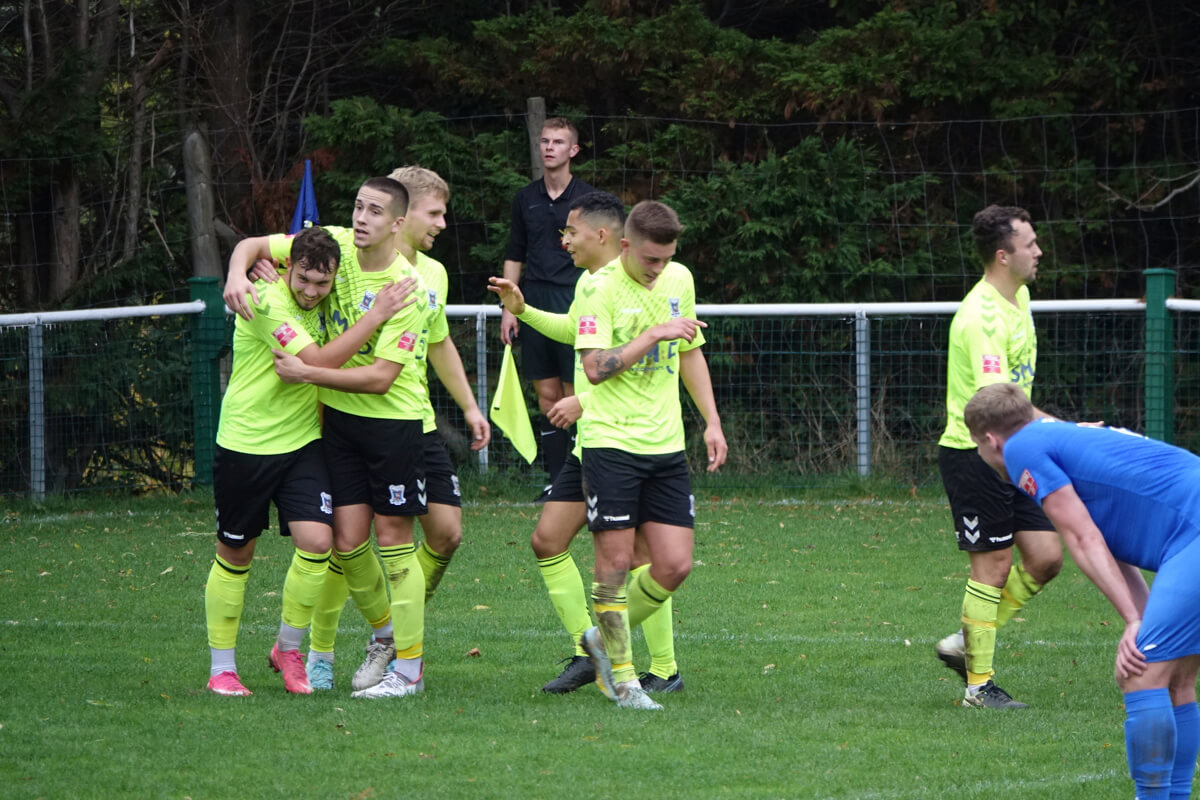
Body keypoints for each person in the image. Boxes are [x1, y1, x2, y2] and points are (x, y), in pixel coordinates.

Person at [224, 177, 433, 700]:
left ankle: (409, 669)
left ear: (397, 224)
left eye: (375, 211)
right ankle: (380, 638)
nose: (362, 218)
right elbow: (253, 245)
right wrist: (236, 272)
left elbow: (382, 377)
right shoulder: (332, 242)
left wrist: (311, 373)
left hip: (392, 421)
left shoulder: (406, 288)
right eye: (359, 206)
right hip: (337, 423)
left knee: (394, 541)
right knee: (345, 540)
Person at [299, 165, 492, 690]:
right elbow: (285, 258)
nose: (442, 223)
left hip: (409, 422)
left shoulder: (426, 278)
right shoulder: (343, 254)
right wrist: (247, 271)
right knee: (351, 540)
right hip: (344, 418)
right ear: (404, 217)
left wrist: (471, 407)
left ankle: (398, 643)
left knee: (443, 534)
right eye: (435, 213)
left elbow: (437, 342)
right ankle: (356, 646)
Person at [491, 192, 687, 696]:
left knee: (643, 555)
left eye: (571, 232)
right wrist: (526, 310)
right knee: (548, 540)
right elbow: (579, 335)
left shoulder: (652, 282)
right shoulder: (589, 284)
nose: (564, 240)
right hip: (596, 441)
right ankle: (593, 650)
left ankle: (659, 667)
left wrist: (583, 401)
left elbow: (638, 370)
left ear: (603, 235)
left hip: (625, 440)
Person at [965, 381, 1200, 799]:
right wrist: (1139, 616)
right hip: (1190, 530)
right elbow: (1110, 545)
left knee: (1139, 674)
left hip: (1193, 529)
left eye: (979, 450)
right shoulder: (1060, 435)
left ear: (989, 439)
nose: (984, 459)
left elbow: (1083, 538)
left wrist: (1132, 621)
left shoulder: (1021, 450)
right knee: (1176, 679)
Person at [568, 200, 727, 710]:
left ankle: (599, 639)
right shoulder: (598, 288)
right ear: (624, 245)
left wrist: (711, 421)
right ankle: (625, 679)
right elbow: (594, 368)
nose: (659, 270)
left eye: (666, 259)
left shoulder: (680, 279)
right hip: (611, 441)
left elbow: (690, 351)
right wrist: (652, 333)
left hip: (666, 445)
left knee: (675, 564)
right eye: (649, 260)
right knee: (614, 565)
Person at [934, 204, 1060, 709]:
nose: (1039, 251)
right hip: (976, 452)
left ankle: (968, 640)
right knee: (994, 565)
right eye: (1030, 244)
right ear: (1003, 256)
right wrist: (1063, 429)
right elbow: (996, 408)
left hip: (1016, 450)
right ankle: (978, 687)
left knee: (1046, 558)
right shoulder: (980, 315)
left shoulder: (1020, 295)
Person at [499, 116, 596, 497]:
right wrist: (509, 307)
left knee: (576, 392)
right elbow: (514, 252)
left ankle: (586, 477)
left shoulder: (588, 200)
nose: (549, 148)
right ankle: (558, 482)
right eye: (544, 141)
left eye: (558, 142)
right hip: (533, 301)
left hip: (574, 299)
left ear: (573, 150)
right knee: (548, 396)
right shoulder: (525, 198)